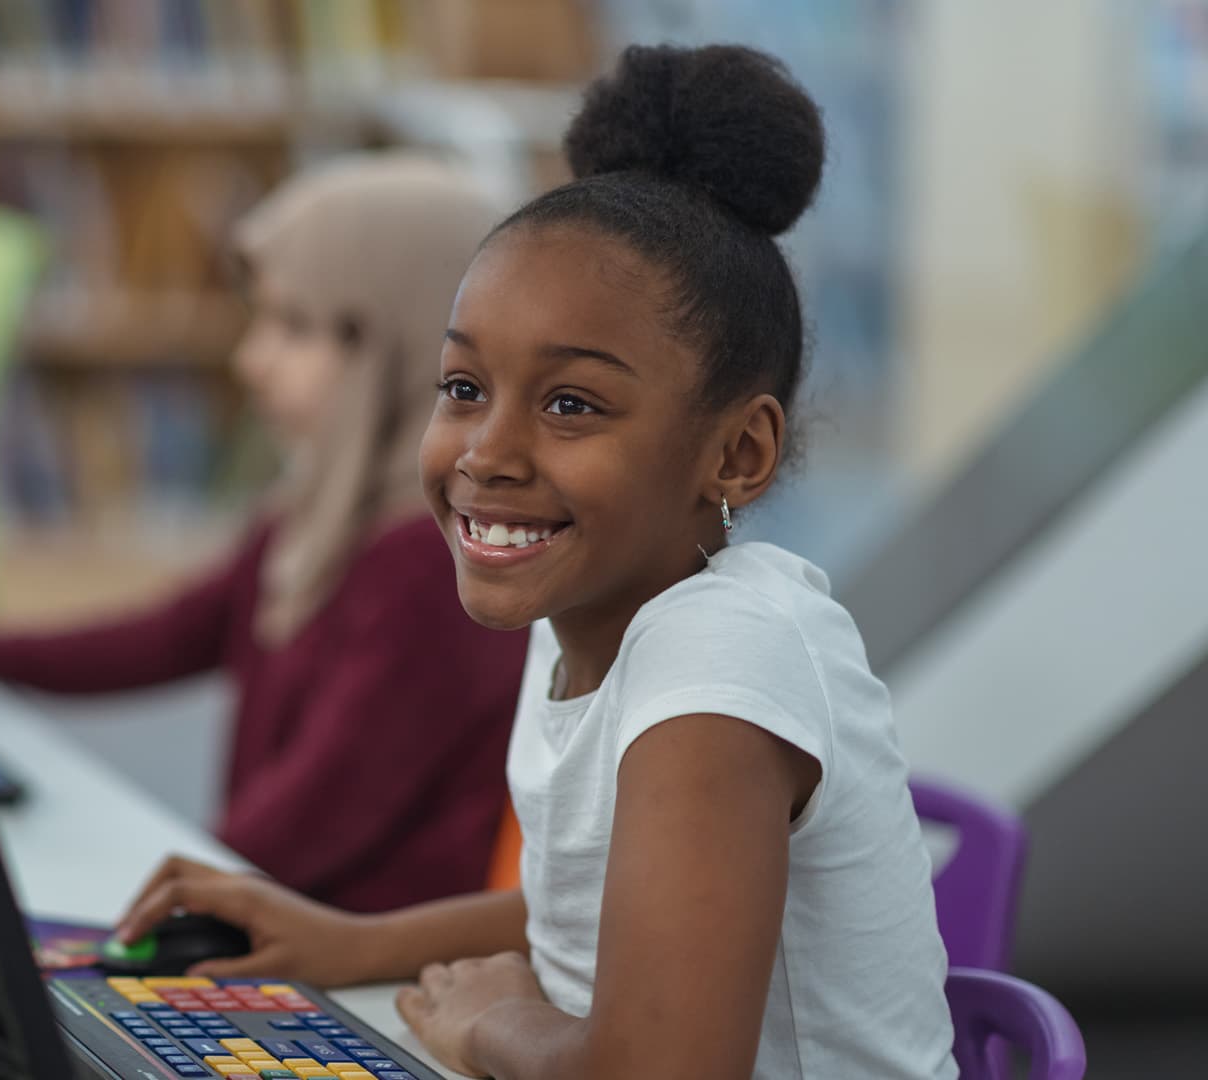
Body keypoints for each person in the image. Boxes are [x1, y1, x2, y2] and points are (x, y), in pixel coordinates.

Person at [110, 46, 957, 1080]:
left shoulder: (723, 656)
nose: (486, 453)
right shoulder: (587, 611)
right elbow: (596, 901)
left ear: (737, 453)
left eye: (571, 405)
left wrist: (494, 1025)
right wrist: (347, 942)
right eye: (463, 386)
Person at [0, 155, 528, 914]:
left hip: (361, 974)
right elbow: (168, 636)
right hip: (275, 912)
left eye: (293, 327)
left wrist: (141, 907)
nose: (250, 360)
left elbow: (308, 819)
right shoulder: (318, 507)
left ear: (407, 343)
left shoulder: (435, 566)